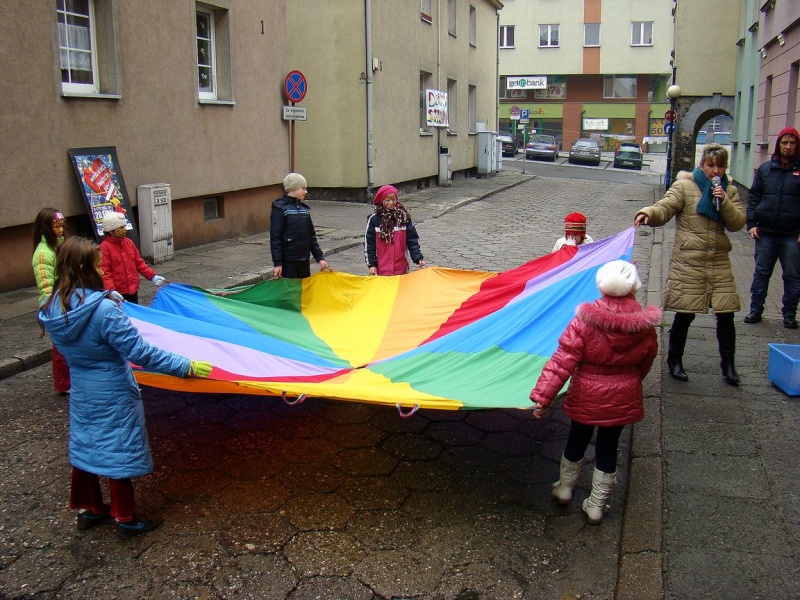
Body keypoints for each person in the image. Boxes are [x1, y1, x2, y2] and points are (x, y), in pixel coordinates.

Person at [38, 237, 213, 538]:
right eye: (96, 261)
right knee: (116, 449)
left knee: (87, 443)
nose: (101, 265)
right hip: (112, 387)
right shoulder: (103, 311)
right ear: (84, 267)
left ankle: (90, 509)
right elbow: (141, 353)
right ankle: (126, 518)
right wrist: (184, 366)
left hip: (82, 386)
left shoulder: (55, 304)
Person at [529, 260, 660, 524]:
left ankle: (565, 489)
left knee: (577, 438)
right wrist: (630, 382)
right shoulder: (644, 325)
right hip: (623, 394)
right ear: (635, 287)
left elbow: (562, 360)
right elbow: (647, 360)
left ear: (600, 287)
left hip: (586, 392)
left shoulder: (584, 321)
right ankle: (596, 505)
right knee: (608, 446)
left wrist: (544, 397)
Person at [634, 143, 746, 385]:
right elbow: (665, 206)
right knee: (685, 313)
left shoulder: (730, 190)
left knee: (726, 314)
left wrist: (724, 200)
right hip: (689, 261)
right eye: (710, 165)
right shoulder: (684, 186)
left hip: (718, 260)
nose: (715, 170)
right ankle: (674, 360)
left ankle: (728, 365)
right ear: (702, 165)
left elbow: (737, 223)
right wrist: (648, 214)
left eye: (720, 165)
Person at [744, 126, 800, 329]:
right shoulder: (766, 169)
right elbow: (754, 197)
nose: (788, 147)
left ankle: (789, 314)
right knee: (761, 273)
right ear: (778, 144)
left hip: (792, 235)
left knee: (793, 276)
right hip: (765, 232)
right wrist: (751, 223)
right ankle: (755, 310)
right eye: (785, 143)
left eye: (792, 143)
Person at [31, 207, 71, 394]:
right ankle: (63, 385)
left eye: (61, 226)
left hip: (66, 297)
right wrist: (53, 309)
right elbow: (45, 287)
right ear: (46, 227)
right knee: (60, 347)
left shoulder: (60, 245)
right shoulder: (43, 254)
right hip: (56, 302)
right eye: (56, 227)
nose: (60, 230)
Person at [270, 173, 329, 278]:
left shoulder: (304, 210)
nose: (306, 192)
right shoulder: (280, 209)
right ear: (293, 188)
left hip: (304, 259)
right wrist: (278, 263)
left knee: (304, 289)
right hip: (288, 261)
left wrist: (319, 257)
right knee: (291, 291)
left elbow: (311, 236)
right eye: (303, 188)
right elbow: (276, 238)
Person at [100, 212, 166, 304]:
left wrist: (152, 276)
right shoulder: (105, 248)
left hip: (132, 290)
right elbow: (105, 272)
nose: (124, 230)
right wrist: (111, 290)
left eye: (124, 227)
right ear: (111, 231)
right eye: (121, 228)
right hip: (117, 293)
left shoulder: (129, 243)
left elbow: (139, 263)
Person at [364, 185, 425, 275]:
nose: (391, 203)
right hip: (382, 270)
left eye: (393, 199)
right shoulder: (374, 220)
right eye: (387, 200)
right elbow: (369, 244)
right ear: (381, 201)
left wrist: (418, 258)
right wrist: (372, 264)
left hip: (401, 268)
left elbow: (412, 240)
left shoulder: (403, 218)